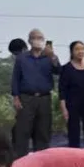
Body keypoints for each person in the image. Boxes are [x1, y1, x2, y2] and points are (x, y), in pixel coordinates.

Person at [10, 29, 60, 158]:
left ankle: (41, 162)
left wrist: (53, 56)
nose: (38, 40)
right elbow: (16, 78)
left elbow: (58, 71)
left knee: (43, 132)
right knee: (22, 132)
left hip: (44, 98)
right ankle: (20, 163)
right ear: (29, 41)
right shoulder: (22, 58)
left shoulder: (49, 57)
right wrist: (16, 97)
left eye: (40, 38)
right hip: (26, 98)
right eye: (35, 37)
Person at [58, 41, 84, 149]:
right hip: (72, 106)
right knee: (74, 135)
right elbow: (62, 90)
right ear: (72, 51)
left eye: (82, 49)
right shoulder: (66, 68)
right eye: (77, 49)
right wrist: (64, 108)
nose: (80, 51)